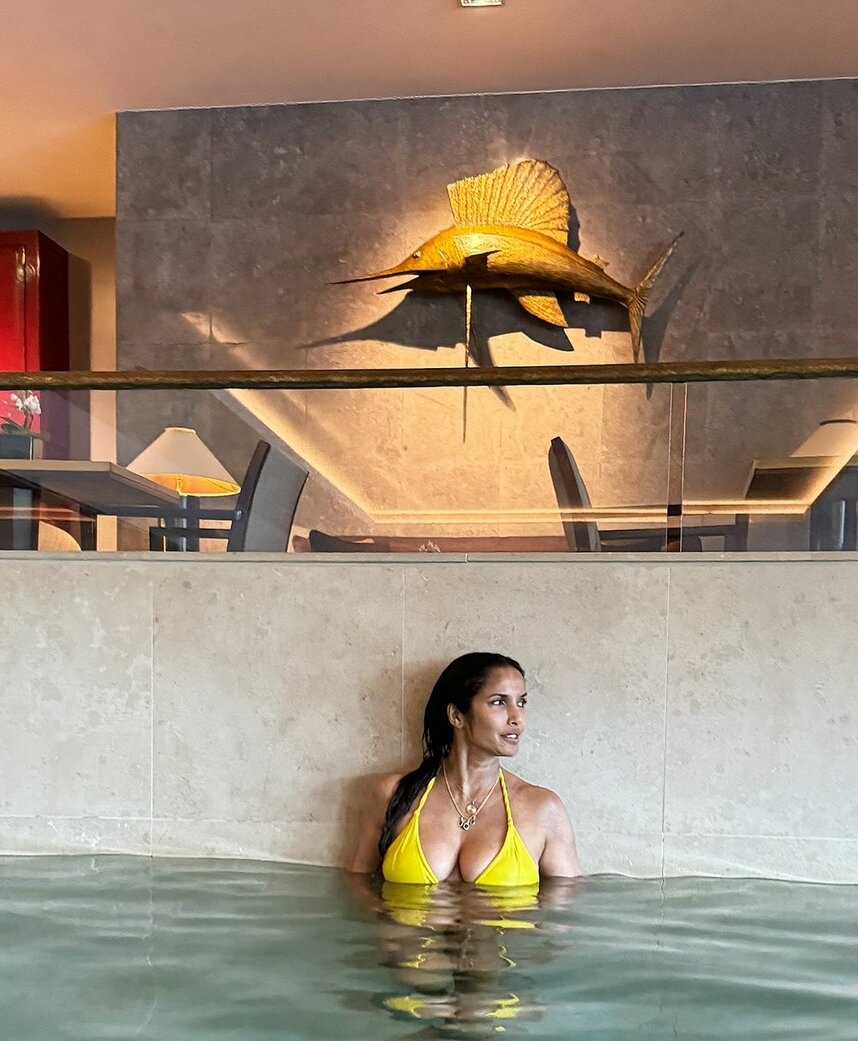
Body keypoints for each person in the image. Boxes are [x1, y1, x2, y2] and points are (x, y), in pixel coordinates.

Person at [348, 652, 581, 884]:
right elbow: (359, 888)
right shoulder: (393, 794)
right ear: (456, 716)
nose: (517, 718)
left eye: (521, 703)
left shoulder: (544, 809)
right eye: (499, 702)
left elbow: (565, 903)